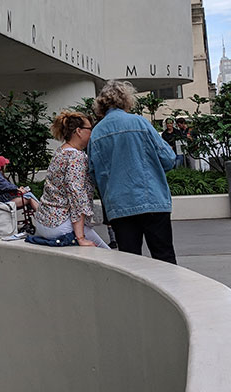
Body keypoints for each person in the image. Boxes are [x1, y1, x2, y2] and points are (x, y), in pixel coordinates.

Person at [87, 80, 177, 263]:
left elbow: (92, 173)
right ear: (126, 100)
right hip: (152, 199)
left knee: (131, 263)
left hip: (119, 206)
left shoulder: (97, 133)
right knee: (164, 258)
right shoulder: (139, 122)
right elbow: (168, 159)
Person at [31, 112, 108, 247]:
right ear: (79, 131)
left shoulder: (60, 152)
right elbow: (77, 195)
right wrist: (81, 238)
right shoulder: (76, 157)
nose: (92, 133)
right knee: (107, 255)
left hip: (44, 221)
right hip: (61, 224)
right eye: (90, 129)